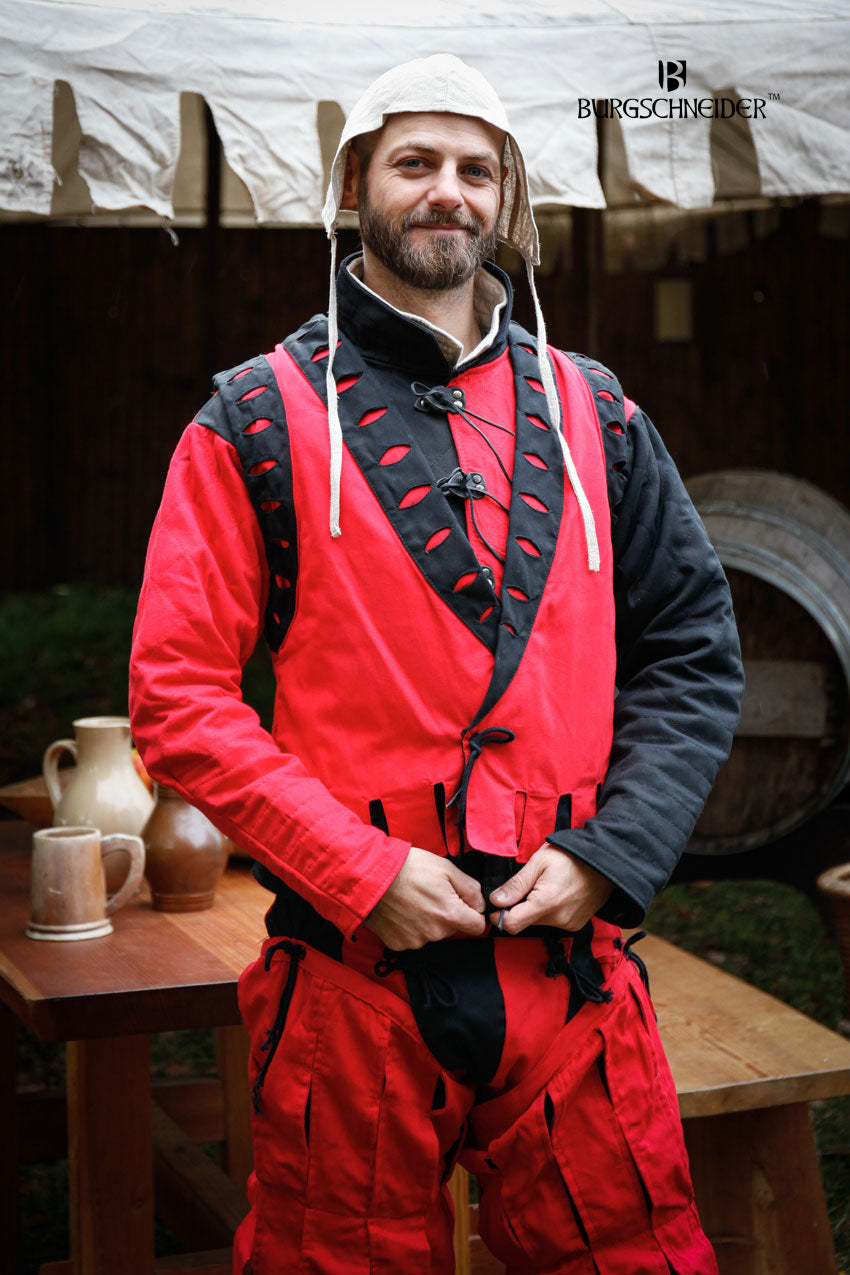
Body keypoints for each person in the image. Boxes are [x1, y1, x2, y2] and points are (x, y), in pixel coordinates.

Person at [129, 53, 743, 1275]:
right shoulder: (252, 419)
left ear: (506, 199)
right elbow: (178, 699)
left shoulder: (596, 413)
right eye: (415, 163)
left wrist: (609, 853)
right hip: (353, 974)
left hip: (567, 975)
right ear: (355, 185)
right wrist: (358, 872)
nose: (447, 191)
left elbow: (692, 649)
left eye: (476, 169)